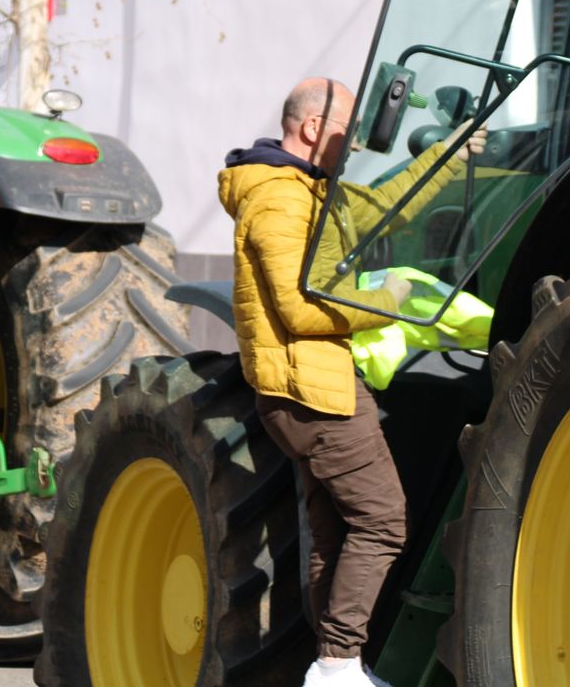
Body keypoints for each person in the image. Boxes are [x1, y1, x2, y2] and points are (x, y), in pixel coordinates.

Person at [218, 76, 485, 687]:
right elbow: (300, 309)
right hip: (310, 392)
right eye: (349, 130)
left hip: (310, 384)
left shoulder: (310, 190)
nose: (359, 143)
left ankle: (337, 666)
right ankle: (337, 664)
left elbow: (388, 204)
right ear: (313, 128)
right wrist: (388, 299)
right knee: (384, 520)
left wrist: (449, 154)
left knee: (335, 530)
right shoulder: (281, 200)